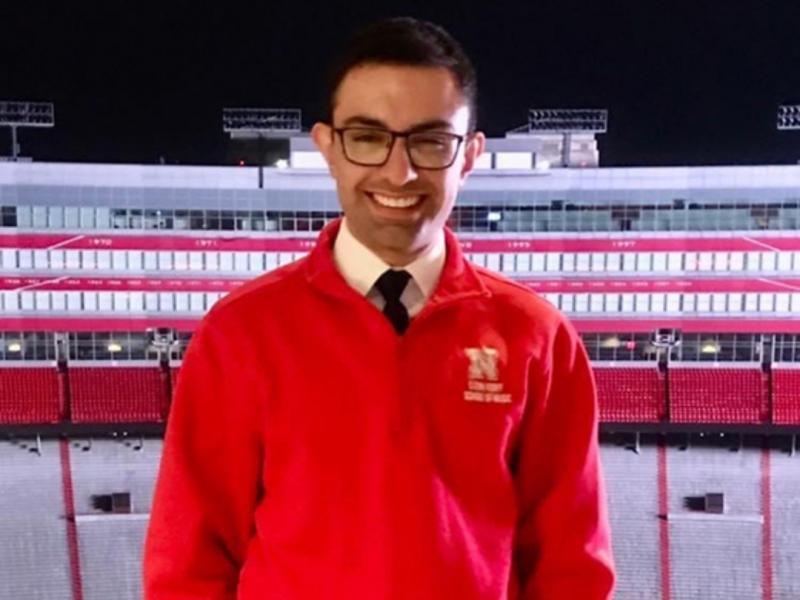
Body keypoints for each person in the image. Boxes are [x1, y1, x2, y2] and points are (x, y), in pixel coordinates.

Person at [144, 17, 615, 599]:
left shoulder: (537, 338)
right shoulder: (240, 333)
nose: (400, 171)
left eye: (431, 141)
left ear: (468, 156)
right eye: (368, 137)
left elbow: (571, 565)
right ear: (328, 148)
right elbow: (189, 564)